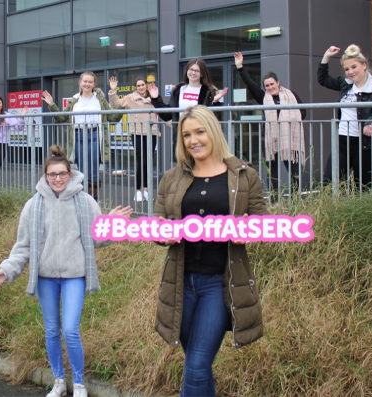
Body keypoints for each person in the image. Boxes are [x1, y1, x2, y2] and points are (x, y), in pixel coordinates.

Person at [0, 145, 132, 397]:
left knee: (70, 330)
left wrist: (111, 224)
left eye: (62, 174)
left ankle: (80, 383)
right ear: (45, 176)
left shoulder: (85, 202)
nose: (58, 179)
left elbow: (97, 238)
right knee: (52, 330)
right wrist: (6, 271)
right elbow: (23, 247)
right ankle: (59, 381)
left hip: (74, 275)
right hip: (45, 278)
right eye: (52, 175)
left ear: (70, 174)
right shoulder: (33, 205)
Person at [153, 106, 267, 396]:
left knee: (197, 367)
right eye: (187, 135)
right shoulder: (172, 178)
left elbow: (262, 221)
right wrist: (162, 234)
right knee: (197, 364)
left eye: (200, 132)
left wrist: (248, 230)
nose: (194, 140)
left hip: (218, 283)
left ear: (213, 131)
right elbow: (158, 224)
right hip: (180, 284)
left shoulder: (244, 175)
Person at [234, 52, 307, 196]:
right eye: (267, 85)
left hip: (289, 139)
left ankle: (295, 199)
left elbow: (303, 112)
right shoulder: (263, 97)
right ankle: (274, 200)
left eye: (272, 84)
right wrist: (240, 67)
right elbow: (250, 84)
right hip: (270, 139)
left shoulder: (290, 95)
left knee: (295, 171)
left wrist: (288, 121)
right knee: (272, 173)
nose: (269, 87)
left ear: (278, 83)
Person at [41, 72, 122, 200]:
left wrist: (122, 107)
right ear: (80, 83)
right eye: (85, 81)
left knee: (94, 171)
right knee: (81, 171)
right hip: (78, 136)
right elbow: (61, 118)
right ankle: (81, 199)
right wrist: (52, 104)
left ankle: (93, 200)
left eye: (90, 82)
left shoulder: (99, 99)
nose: (87, 84)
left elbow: (112, 117)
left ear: (94, 84)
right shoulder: (74, 100)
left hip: (95, 135)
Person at [318, 44, 372, 191]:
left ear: (364, 65)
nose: (350, 72)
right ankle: (335, 210)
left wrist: (371, 124)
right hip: (343, 140)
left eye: (354, 67)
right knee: (330, 182)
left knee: (362, 186)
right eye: (347, 69)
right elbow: (323, 79)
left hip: (364, 144)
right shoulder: (345, 84)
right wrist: (326, 56)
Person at [149, 58, 228, 159]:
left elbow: (213, 117)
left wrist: (214, 102)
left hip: (200, 133)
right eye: (191, 69)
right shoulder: (178, 89)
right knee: (184, 166)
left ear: (202, 74)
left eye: (197, 70)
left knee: (200, 162)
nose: (193, 73)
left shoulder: (208, 91)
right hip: (182, 134)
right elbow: (167, 114)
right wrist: (156, 98)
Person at [108, 76, 161, 202]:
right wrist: (113, 91)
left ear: (146, 85)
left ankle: (146, 190)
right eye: (138, 85)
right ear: (135, 87)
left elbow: (163, 110)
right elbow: (116, 104)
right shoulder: (131, 97)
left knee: (148, 162)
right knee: (140, 162)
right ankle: (137, 191)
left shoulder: (153, 97)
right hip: (137, 132)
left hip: (151, 133)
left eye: (143, 84)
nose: (141, 87)